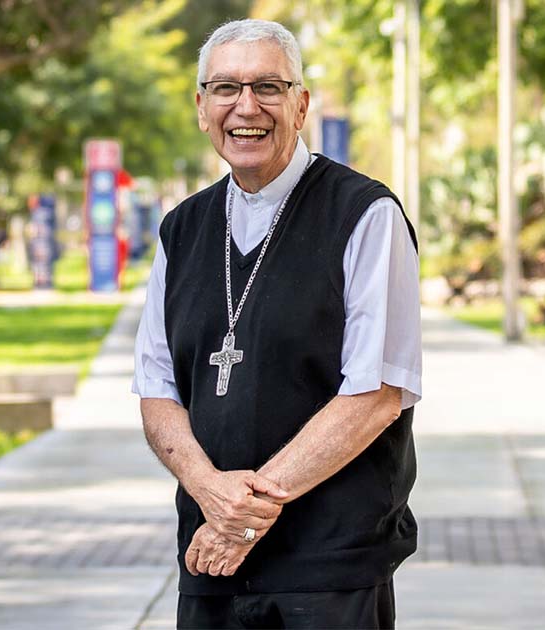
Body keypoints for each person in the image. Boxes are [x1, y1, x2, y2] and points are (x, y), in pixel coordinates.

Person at [132, 18, 422, 629]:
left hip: (328, 566)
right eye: (225, 89)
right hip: (209, 556)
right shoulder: (182, 229)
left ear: (301, 104)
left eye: (268, 86)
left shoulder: (366, 215)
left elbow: (377, 393)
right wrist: (209, 491)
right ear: (201, 106)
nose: (246, 107)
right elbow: (157, 390)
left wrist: (246, 510)